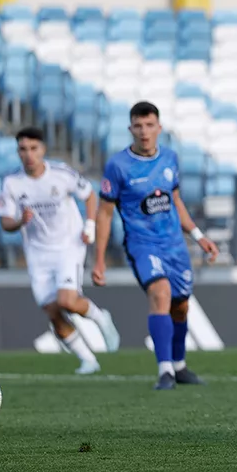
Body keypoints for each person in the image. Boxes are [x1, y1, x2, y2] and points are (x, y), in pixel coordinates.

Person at [92, 101, 219, 390]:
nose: (144, 131)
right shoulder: (118, 166)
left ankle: (179, 365)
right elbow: (104, 213)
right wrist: (98, 259)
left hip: (175, 245)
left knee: (181, 306)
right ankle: (165, 372)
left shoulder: (170, 159)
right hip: (142, 245)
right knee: (160, 293)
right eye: (138, 126)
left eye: (149, 125)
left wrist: (198, 236)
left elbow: (175, 202)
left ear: (159, 127)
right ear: (130, 129)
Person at [0, 127, 119, 374]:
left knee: (67, 301)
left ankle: (99, 317)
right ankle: (88, 360)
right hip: (37, 254)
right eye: (23, 149)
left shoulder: (61, 174)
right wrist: (21, 220)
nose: (29, 154)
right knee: (53, 312)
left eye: (33, 148)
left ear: (42, 150)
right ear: (18, 152)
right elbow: (5, 222)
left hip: (68, 246)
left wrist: (90, 226)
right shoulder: (12, 183)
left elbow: (90, 195)